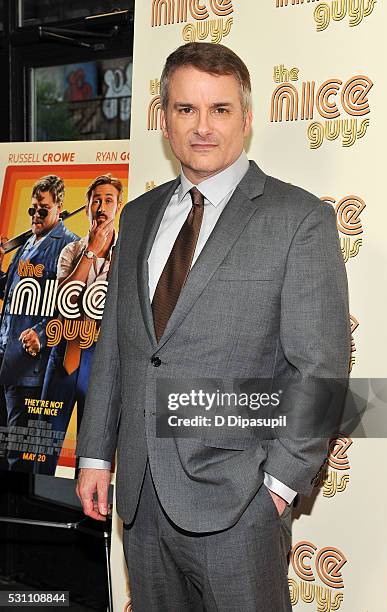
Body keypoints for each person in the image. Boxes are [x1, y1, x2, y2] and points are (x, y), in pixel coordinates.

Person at [76, 42, 350, 611]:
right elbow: (119, 348)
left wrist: (277, 487)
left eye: (220, 110)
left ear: (246, 120)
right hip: (142, 501)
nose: (202, 127)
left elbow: (320, 370)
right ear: (164, 120)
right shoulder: (138, 215)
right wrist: (96, 455)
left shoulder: (297, 219)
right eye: (186, 110)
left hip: (240, 504)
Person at [35, 174, 123, 475]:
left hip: (102, 364)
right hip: (63, 357)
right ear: (86, 206)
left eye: (108, 200)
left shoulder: (127, 253)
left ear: (118, 206)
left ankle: (91, 516)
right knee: (41, 450)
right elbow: (64, 300)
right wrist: (91, 253)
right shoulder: (71, 251)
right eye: (96, 200)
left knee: (95, 457)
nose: (101, 206)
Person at [0, 175, 78, 471]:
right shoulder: (27, 244)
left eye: (42, 210)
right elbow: (8, 292)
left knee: (20, 455)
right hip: (6, 357)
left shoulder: (68, 246)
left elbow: (71, 302)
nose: (35, 215)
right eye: (32, 209)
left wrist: (43, 335)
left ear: (59, 207)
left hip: (31, 367)